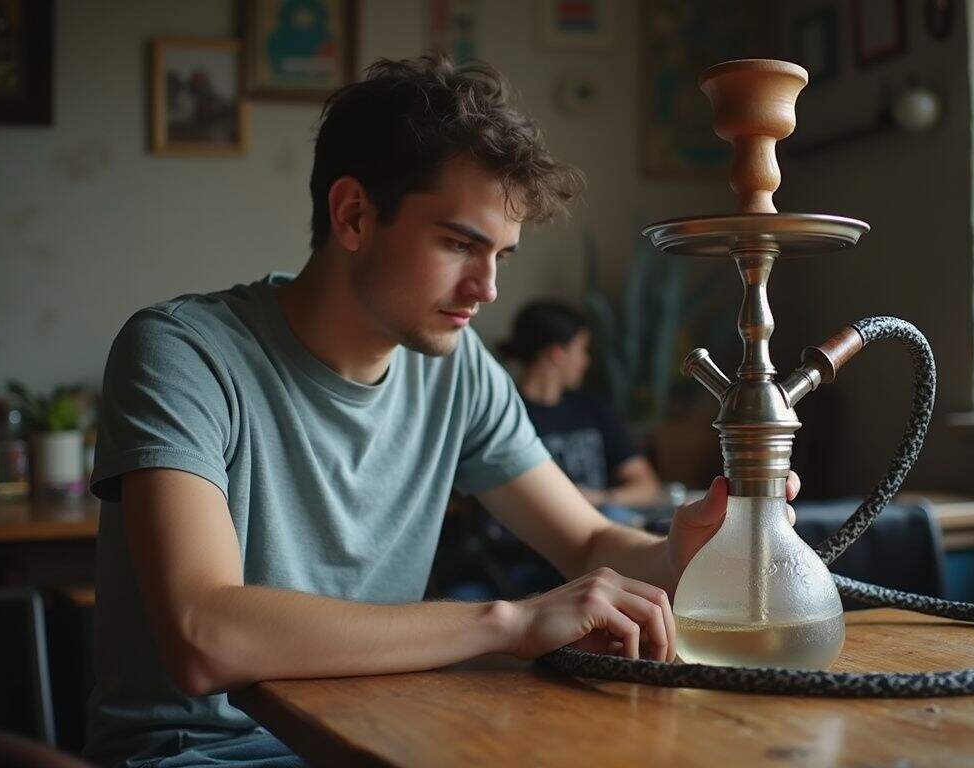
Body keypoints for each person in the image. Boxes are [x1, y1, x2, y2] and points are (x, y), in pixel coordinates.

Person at [84, 56, 800, 768]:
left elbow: (582, 543)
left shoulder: (457, 369)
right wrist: (509, 622)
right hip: (200, 756)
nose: (486, 288)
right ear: (354, 214)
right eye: (460, 244)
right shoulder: (183, 353)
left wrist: (688, 554)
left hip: (376, 742)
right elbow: (205, 635)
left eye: (503, 256)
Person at [499, 301, 662, 511]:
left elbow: (647, 486)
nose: (586, 361)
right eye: (581, 350)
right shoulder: (505, 415)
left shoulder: (592, 409)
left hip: (599, 526)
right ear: (557, 353)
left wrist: (599, 498)